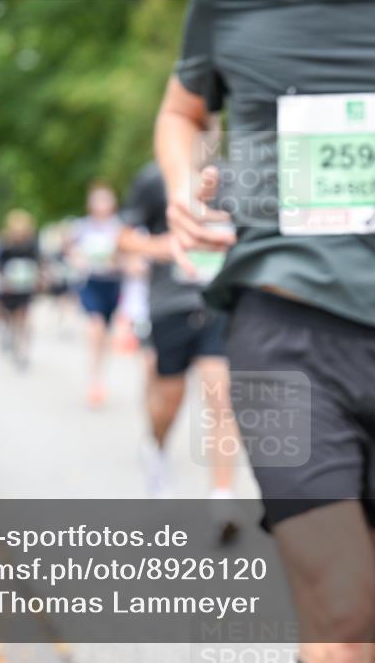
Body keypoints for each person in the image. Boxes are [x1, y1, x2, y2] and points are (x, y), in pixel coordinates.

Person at [156, 0, 375, 662]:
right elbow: (182, 112)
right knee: (344, 613)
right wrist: (182, 188)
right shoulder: (224, 6)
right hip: (277, 331)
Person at [117, 162, 242, 540]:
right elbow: (123, 238)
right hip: (170, 306)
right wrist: (166, 245)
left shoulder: (238, 173)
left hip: (217, 303)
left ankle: (223, 497)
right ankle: (155, 447)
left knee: (221, 397)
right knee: (168, 403)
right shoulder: (155, 177)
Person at [68, 183, 124, 408]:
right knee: (95, 325)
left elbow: (128, 254)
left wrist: (118, 260)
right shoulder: (81, 227)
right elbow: (71, 250)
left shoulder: (120, 227)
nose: (102, 205)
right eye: (97, 200)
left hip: (113, 283)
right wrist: (78, 258)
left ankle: (100, 372)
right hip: (91, 283)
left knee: (106, 333)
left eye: (106, 199)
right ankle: (95, 378)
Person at [0, 209, 41, 370]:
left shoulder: (31, 245)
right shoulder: (6, 245)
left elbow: (37, 263)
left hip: (25, 287)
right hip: (10, 288)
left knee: (23, 316)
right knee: (11, 316)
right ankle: (14, 341)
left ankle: (22, 348)